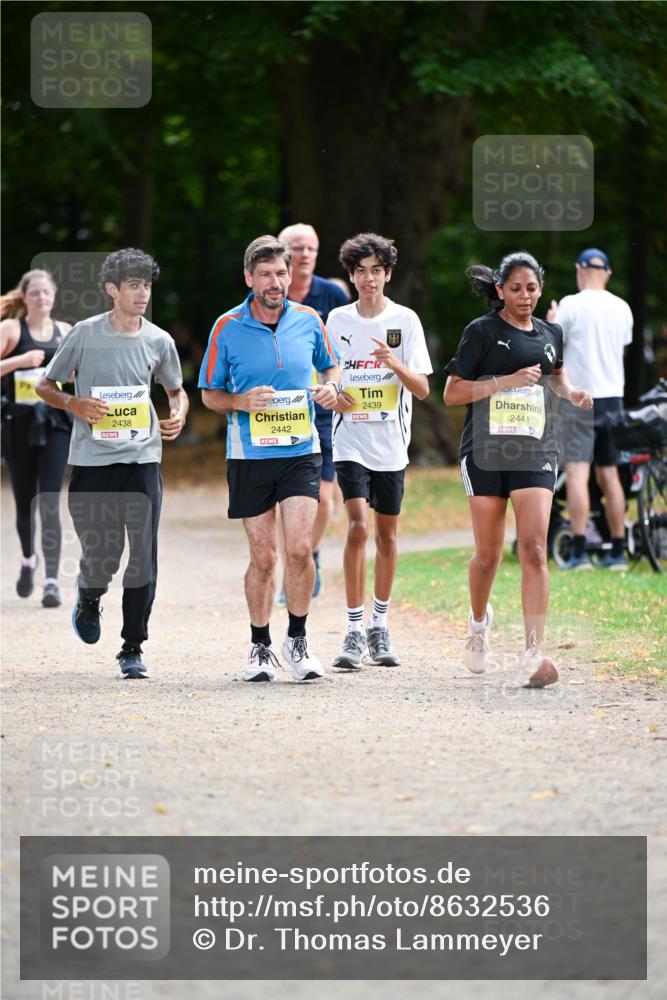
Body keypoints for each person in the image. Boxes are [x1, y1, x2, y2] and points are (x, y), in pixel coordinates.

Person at [36, 248, 188, 679]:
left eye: (147, 286)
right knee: (103, 554)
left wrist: (178, 413)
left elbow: (175, 389)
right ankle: (90, 594)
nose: (143, 294)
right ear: (112, 290)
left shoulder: (160, 340)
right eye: (134, 286)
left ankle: (132, 647)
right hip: (92, 462)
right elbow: (46, 385)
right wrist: (74, 403)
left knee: (143, 554)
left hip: (142, 459)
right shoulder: (84, 334)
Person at [443, 251, 593, 686]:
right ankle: (477, 627)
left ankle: (533, 653)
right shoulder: (482, 332)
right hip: (486, 454)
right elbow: (452, 393)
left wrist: (571, 394)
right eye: (515, 288)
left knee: (534, 548)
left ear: (541, 288)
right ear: (499, 291)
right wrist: (506, 381)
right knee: (488, 557)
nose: (524, 296)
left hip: (535, 451)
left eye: (531, 288)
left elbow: (555, 376)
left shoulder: (552, 333)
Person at [198, 235, 340, 683]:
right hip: (249, 454)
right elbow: (209, 394)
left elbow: (331, 366)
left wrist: (331, 387)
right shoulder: (227, 326)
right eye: (266, 275)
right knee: (264, 555)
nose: (276, 282)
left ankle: (297, 640)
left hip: (301, 450)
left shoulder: (309, 319)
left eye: (282, 273)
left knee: (299, 548)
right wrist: (239, 401)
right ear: (249, 278)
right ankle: (259, 646)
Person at [326, 233, 432, 670]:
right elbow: (326, 377)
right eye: (360, 271)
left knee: (387, 535)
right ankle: (352, 629)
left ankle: (379, 624)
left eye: (376, 271)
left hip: (391, 445)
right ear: (351, 276)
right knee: (357, 528)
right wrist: (332, 393)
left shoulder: (405, 321)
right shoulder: (336, 319)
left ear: (388, 274)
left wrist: (394, 364)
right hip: (349, 440)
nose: (368, 279)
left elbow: (424, 389)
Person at [546, 248, 634, 570]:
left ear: (580, 269)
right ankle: (617, 551)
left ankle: (580, 551)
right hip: (613, 398)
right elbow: (620, 348)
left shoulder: (570, 304)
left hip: (579, 398)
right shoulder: (622, 308)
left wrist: (552, 322)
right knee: (609, 474)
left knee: (578, 474)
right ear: (607, 273)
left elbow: (552, 345)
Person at [276, 223, 349, 601]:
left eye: (311, 248)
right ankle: (294, 563)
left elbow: (346, 347)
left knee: (324, 496)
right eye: (297, 248)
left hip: (323, 408)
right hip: (279, 410)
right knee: (282, 498)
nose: (304, 254)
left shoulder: (331, 293)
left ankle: (309, 556)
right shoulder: (269, 291)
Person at [1, 269, 72, 607]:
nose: (42, 297)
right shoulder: (11, 329)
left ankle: (52, 581)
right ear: (25, 296)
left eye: (47, 292)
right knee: (25, 501)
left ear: (53, 296)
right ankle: (29, 559)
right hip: (19, 424)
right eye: (35, 293)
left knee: (49, 502)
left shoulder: (65, 332)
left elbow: (78, 373)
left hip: (55, 425)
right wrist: (19, 361)